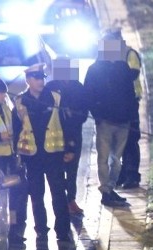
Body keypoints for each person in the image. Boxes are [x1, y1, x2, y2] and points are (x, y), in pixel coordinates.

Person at [11, 63, 73, 249]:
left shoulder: (55, 98)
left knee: (58, 194)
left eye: (42, 77)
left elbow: (67, 124)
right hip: (32, 157)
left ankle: (62, 231)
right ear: (28, 80)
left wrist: (70, 149)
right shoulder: (20, 102)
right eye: (37, 78)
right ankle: (41, 231)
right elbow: (16, 129)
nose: (41, 81)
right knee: (37, 195)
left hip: (54, 155)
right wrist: (17, 154)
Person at [84, 29, 138, 207]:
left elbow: (130, 93)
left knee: (116, 160)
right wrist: (98, 115)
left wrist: (131, 116)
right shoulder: (94, 69)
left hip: (123, 121)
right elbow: (89, 95)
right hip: (105, 122)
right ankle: (106, 191)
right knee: (104, 158)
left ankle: (111, 188)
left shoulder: (122, 68)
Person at [47, 56, 90, 216]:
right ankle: (61, 202)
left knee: (72, 170)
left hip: (74, 133)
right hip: (55, 136)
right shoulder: (50, 87)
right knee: (58, 172)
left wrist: (74, 116)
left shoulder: (77, 87)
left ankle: (71, 200)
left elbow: (85, 110)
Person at [0, 76, 26, 245]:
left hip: (10, 157)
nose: (4, 97)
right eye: (1, 94)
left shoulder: (5, 107)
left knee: (16, 194)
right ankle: (1, 231)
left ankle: (15, 229)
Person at [117, 36, 143, 189]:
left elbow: (133, 73)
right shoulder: (106, 56)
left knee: (131, 139)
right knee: (118, 141)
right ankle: (122, 173)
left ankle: (132, 175)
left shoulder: (129, 54)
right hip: (115, 105)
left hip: (130, 103)